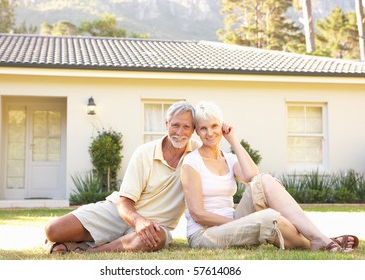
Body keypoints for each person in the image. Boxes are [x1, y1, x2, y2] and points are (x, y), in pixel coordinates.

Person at [180, 100, 359, 252]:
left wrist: (233, 140)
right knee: (269, 217)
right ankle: (322, 241)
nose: (209, 133)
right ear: (197, 131)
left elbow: (253, 177)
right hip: (205, 234)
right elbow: (198, 214)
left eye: (214, 126)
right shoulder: (192, 162)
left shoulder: (229, 158)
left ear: (222, 126)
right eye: (203, 128)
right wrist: (242, 222)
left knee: (264, 180)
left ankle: (320, 239)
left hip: (233, 222)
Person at [45, 101, 200, 253]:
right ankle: (81, 242)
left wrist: (225, 135)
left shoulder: (199, 155)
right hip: (119, 213)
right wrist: (139, 221)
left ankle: (89, 250)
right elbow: (124, 202)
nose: (180, 133)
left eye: (186, 127)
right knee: (53, 230)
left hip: (155, 225)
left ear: (193, 129)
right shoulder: (144, 152)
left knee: (157, 238)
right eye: (175, 125)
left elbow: (221, 159)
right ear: (166, 123)